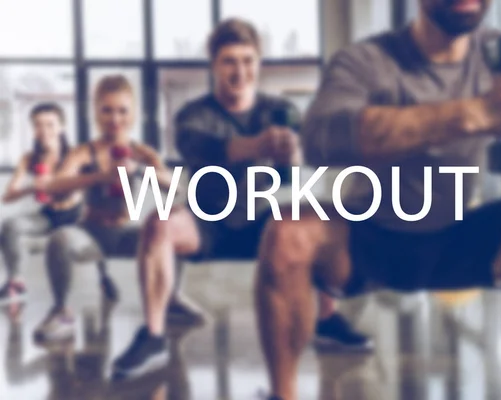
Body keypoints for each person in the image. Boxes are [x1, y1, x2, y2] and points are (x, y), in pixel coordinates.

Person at [255, 0, 501, 399]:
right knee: (286, 232)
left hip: (463, 236)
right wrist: (474, 114)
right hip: (370, 237)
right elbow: (321, 139)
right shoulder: (366, 61)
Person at [110, 18, 371, 381]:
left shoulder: (282, 110)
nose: (240, 70)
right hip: (210, 222)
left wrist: (292, 157)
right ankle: (153, 335)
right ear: (214, 64)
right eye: (229, 61)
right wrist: (257, 145)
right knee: (158, 224)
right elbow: (202, 150)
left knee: (318, 220)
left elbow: (290, 174)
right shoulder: (193, 114)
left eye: (248, 60)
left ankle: (326, 319)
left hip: (266, 221)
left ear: (259, 63)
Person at [32, 76, 202, 343]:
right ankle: (61, 311)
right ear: (96, 112)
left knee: (170, 229)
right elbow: (55, 186)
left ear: (132, 113)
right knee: (60, 239)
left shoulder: (142, 152)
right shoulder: (84, 152)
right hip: (92, 234)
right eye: (107, 110)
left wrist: (142, 172)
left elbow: (180, 189)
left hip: (126, 234)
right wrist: (99, 177)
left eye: (122, 110)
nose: (115, 118)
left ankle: (171, 299)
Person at [0, 103, 117, 305]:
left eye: (50, 125)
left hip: (75, 214)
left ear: (62, 127)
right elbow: (8, 195)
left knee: (94, 233)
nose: (44, 131)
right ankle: (16, 283)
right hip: (48, 216)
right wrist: (32, 187)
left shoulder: (76, 155)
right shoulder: (30, 158)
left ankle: (104, 276)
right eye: (38, 125)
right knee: (10, 226)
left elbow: (95, 183)